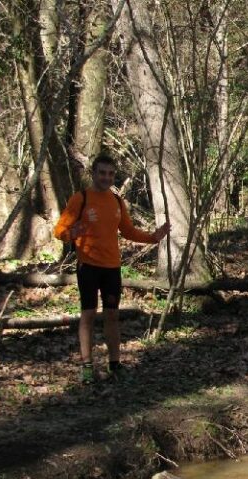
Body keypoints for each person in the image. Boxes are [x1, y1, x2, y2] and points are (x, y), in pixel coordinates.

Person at [54, 154, 170, 384]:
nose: (106, 177)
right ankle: (87, 365)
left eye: (110, 174)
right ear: (94, 173)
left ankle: (114, 364)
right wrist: (70, 234)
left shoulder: (116, 201)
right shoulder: (81, 199)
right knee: (88, 315)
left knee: (112, 316)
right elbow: (59, 230)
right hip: (88, 266)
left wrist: (153, 237)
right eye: (102, 173)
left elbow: (128, 231)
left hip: (112, 268)